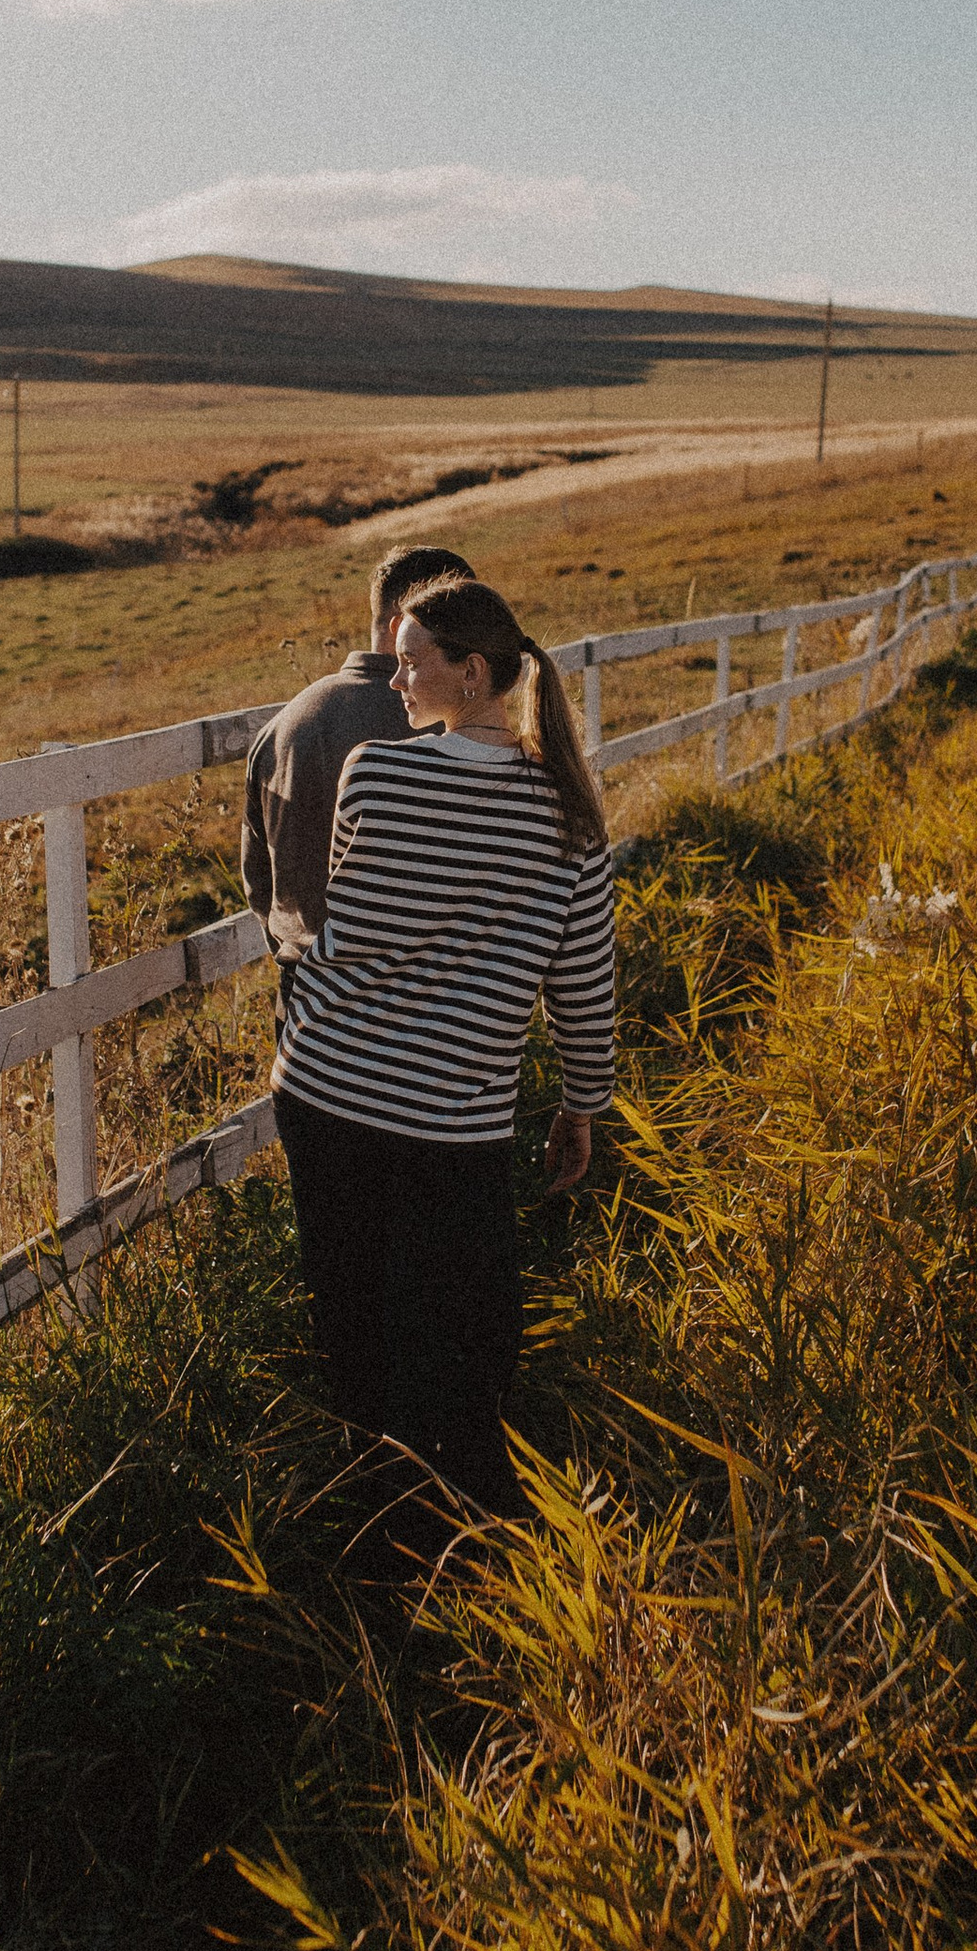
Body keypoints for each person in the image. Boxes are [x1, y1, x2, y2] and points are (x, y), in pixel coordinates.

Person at [272, 572, 615, 1527]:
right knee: (462, 1335)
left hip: (327, 1086)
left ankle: (378, 1516)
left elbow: (360, 930)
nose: (394, 682)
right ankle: (453, 1534)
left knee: (355, 1318)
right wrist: (581, 1106)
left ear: (470, 673)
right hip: (448, 1116)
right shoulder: (570, 820)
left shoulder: (377, 775)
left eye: (412, 662)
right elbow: (582, 990)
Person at [240, 544, 477, 993]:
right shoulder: (451, 721)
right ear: (401, 625)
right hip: (428, 1000)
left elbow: (259, 884)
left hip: (304, 999)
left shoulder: (282, 725)